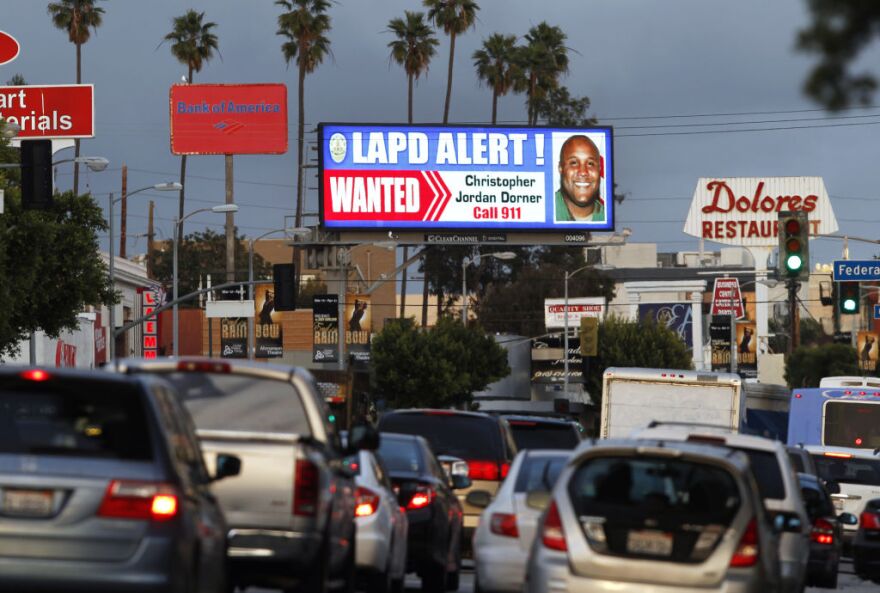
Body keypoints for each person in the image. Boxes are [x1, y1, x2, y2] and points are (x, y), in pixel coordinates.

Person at [554, 134, 606, 223]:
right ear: (560, 168)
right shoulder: (544, 211)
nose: (583, 172)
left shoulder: (609, 216)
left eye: (590, 163)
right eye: (574, 163)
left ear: (599, 169)